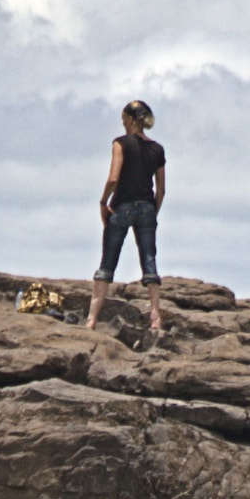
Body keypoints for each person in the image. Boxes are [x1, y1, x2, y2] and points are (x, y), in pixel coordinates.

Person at [86, 100, 165, 335]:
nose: (122, 124)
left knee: (107, 262)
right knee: (149, 261)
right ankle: (156, 316)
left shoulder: (120, 143)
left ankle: (91, 319)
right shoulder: (157, 149)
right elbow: (161, 190)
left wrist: (103, 202)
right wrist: (153, 212)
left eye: (123, 120)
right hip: (147, 207)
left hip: (121, 206)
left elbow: (113, 178)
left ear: (130, 120)